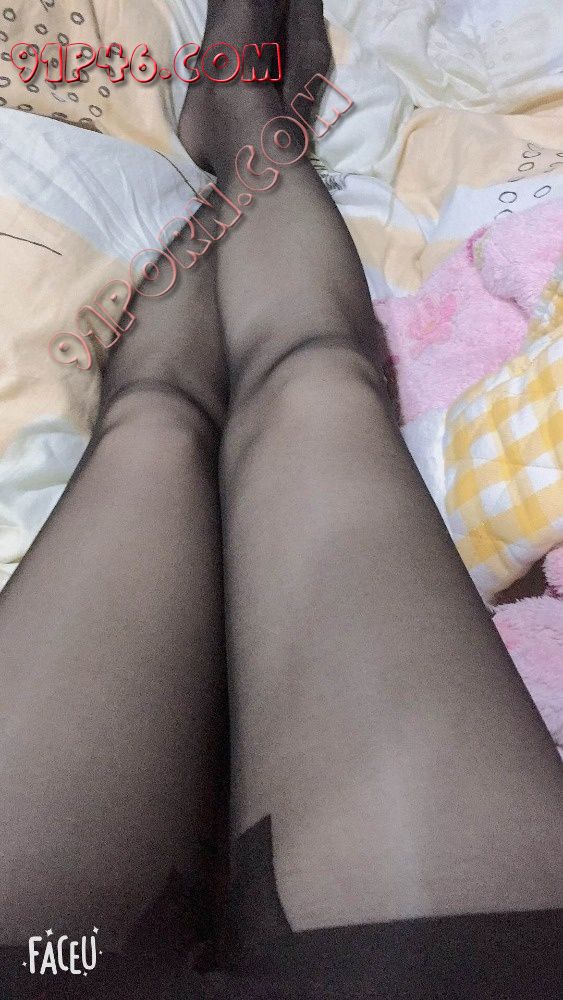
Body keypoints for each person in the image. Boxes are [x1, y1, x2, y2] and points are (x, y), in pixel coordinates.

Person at [0, 2, 561, 997]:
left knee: (156, 423)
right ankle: (253, 125)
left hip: (53, 962)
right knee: (309, 379)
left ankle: (245, 130)